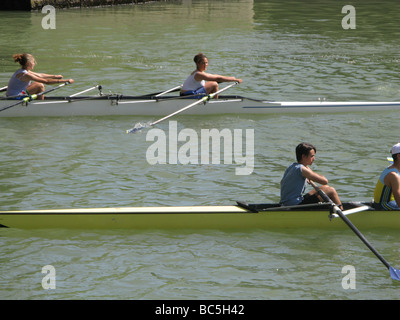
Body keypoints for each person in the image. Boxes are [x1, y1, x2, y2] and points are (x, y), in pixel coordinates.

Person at [280, 142, 342, 208]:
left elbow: (282, 182)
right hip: (295, 206)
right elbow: (325, 181)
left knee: (325, 188)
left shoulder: (292, 166)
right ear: (303, 156)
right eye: (312, 156)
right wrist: (309, 174)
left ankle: (332, 209)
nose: (314, 159)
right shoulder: (303, 169)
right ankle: (342, 211)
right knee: (331, 190)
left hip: (286, 203)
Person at [6, 53, 74, 100]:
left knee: (36, 83)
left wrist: (55, 76)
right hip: (14, 97)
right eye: (33, 62)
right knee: (40, 85)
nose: (34, 64)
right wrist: (66, 81)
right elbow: (46, 81)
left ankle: (37, 100)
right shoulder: (25, 74)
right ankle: (40, 104)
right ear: (28, 63)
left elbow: (40, 75)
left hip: (13, 95)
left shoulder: (22, 71)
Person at [373, 143, 400, 210]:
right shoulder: (393, 175)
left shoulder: (394, 168)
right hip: (384, 205)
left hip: (392, 202)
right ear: (399, 156)